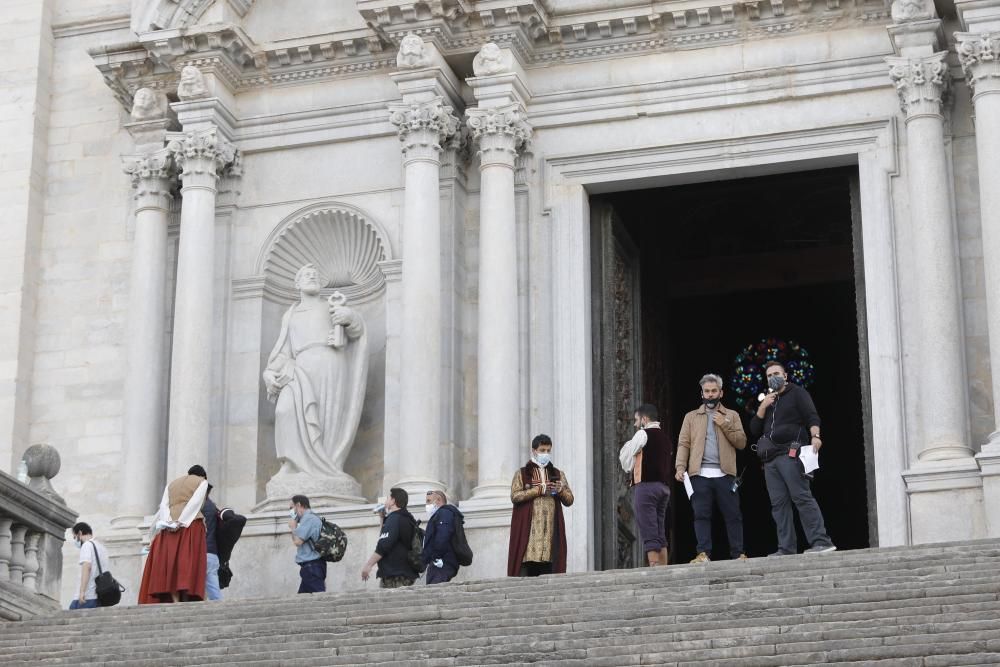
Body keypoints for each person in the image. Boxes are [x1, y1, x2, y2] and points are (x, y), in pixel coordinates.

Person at [751, 360, 836, 555]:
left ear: (785, 376)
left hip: (791, 455)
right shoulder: (767, 401)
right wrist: (763, 406)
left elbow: (812, 416)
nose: (773, 377)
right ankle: (786, 548)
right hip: (770, 461)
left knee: (801, 497)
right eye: (769, 375)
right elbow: (754, 429)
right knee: (778, 505)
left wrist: (816, 436)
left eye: (776, 374)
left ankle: (821, 541)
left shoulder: (797, 393)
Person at [675, 374, 748, 563]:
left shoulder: (732, 415)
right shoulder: (691, 417)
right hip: (699, 474)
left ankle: (738, 553)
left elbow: (741, 443)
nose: (710, 395)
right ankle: (703, 553)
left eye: (714, 391)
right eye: (707, 391)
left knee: (733, 515)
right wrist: (680, 467)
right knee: (701, 515)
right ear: (702, 393)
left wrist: (724, 425)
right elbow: (684, 443)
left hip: (726, 474)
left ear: (721, 393)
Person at [138, 465, 210, 603]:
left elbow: (164, 505)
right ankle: (185, 598)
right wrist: (181, 522)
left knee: (171, 565)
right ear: (202, 475)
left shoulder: (171, 484)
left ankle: (175, 600)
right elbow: (195, 504)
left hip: (168, 528)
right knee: (187, 564)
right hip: (190, 525)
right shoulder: (202, 482)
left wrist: (169, 522)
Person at [507, 434, 574, 577]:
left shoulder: (558, 474)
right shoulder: (522, 473)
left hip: (550, 532)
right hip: (529, 533)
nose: (546, 454)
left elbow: (569, 500)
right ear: (534, 450)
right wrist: (538, 490)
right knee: (525, 572)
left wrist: (560, 490)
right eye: (542, 450)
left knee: (549, 570)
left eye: (548, 450)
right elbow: (515, 496)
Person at [619, 404, 672, 566]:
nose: (635, 424)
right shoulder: (665, 437)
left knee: (648, 528)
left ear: (644, 419)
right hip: (663, 488)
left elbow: (626, 461)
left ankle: (655, 566)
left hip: (646, 487)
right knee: (659, 530)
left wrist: (628, 447)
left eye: (636, 420)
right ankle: (664, 567)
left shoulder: (642, 434)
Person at [361, 487, 418, 588]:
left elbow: (383, 545)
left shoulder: (394, 518)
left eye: (388, 498)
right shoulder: (407, 518)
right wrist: (382, 518)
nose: (386, 501)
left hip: (394, 575)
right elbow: (386, 538)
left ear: (393, 501)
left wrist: (368, 565)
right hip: (406, 573)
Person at [423, 490, 463, 585]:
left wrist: (436, 556)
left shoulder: (444, 513)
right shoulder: (440, 515)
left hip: (442, 562)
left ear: (438, 500)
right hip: (439, 562)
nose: (426, 505)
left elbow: (443, 536)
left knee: (434, 592)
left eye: (428, 501)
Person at [288, 494, 326, 593]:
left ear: (299, 505)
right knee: (301, 601)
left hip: (312, 566)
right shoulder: (309, 518)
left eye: (291, 508)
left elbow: (297, 541)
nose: (291, 511)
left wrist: (293, 527)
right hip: (310, 566)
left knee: (320, 600)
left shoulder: (308, 518)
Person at [69, 522, 110, 610]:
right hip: (98, 596)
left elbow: (87, 567)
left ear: (80, 533)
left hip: (87, 596)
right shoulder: (102, 548)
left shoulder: (87, 545)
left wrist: (82, 592)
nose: (75, 540)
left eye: (75, 537)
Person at [203, 483, 222, 600]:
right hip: (213, 552)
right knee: (213, 585)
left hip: (203, 551)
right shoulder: (213, 507)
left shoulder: (202, 507)